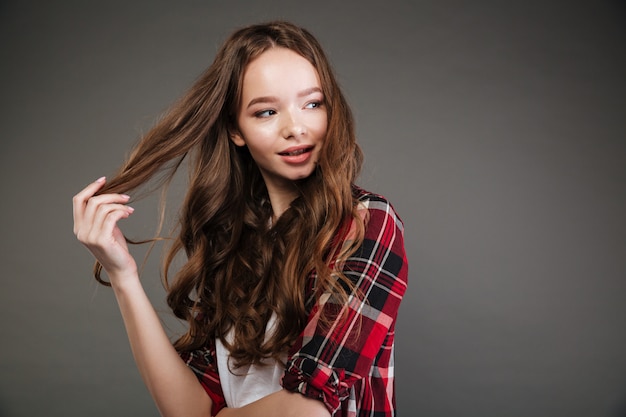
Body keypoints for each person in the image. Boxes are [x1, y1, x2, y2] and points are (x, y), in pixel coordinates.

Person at [72, 21, 408, 417]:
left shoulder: (365, 223)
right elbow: (188, 408)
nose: (295, 128)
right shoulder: (231, 241)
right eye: (266, 111)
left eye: (312, 103)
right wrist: (123, 275)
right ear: (235, 129)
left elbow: (310, 410)